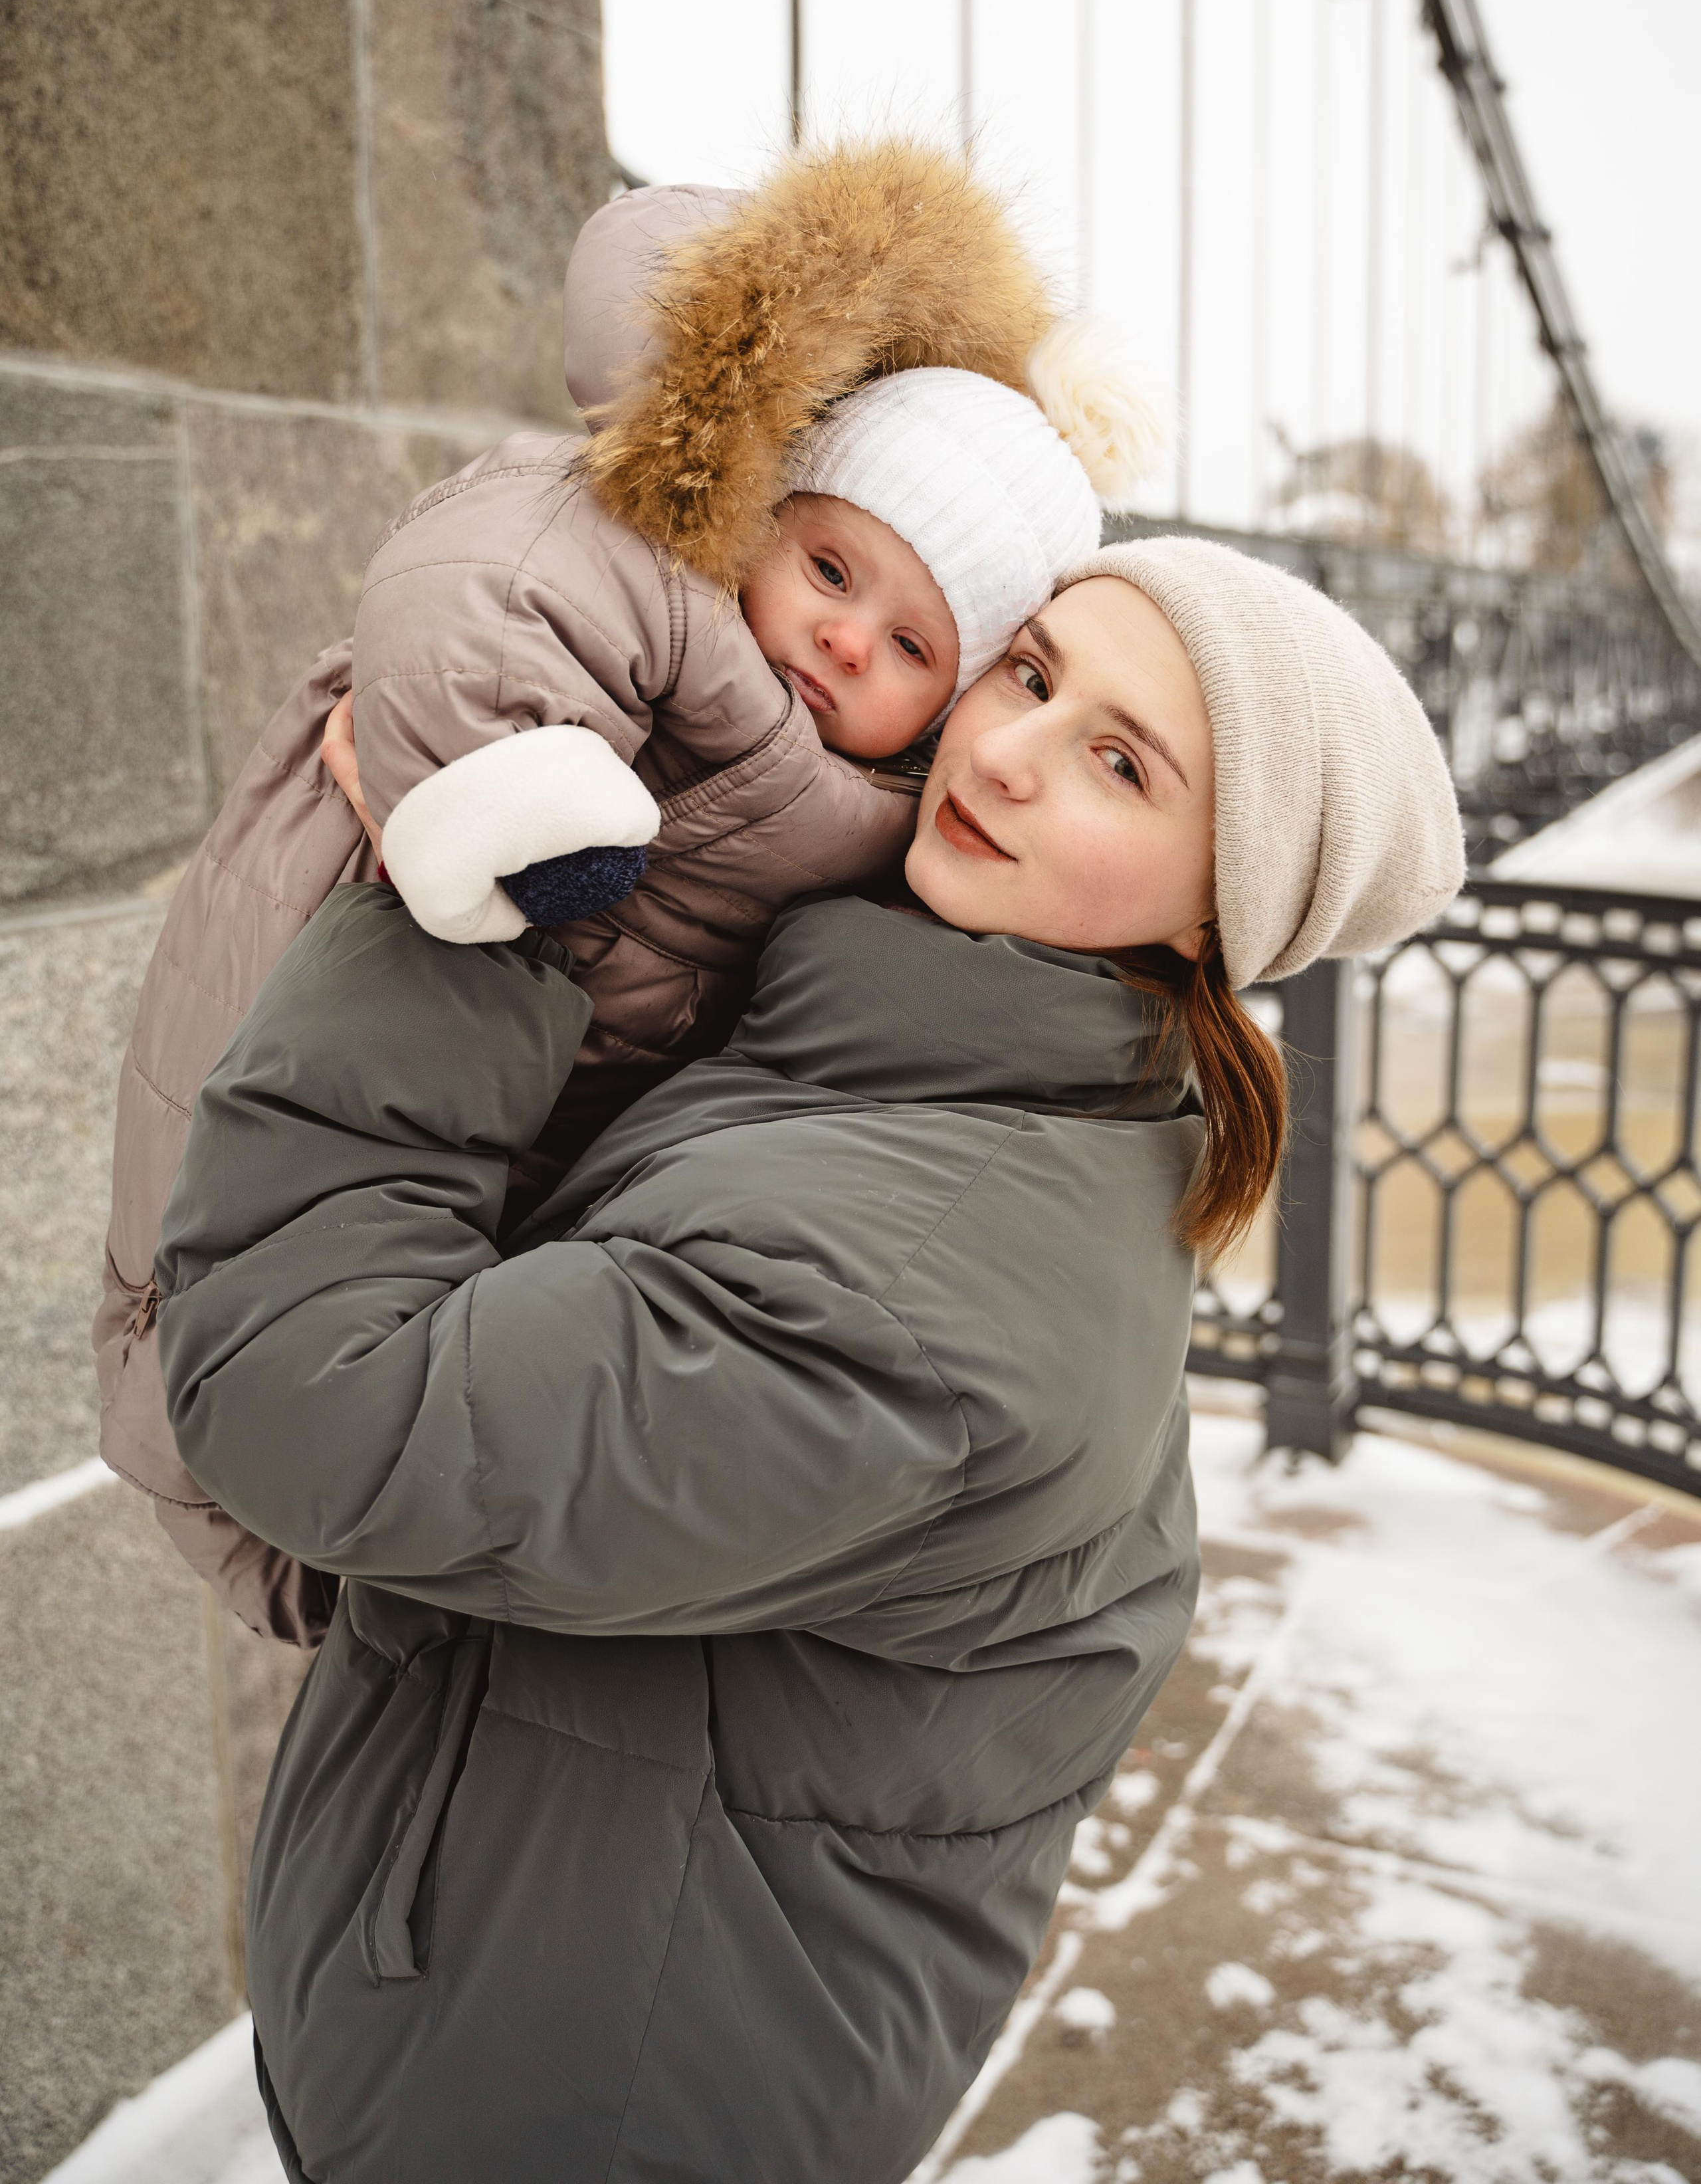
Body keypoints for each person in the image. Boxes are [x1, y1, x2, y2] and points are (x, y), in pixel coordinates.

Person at [153, 535, 1464, 2184]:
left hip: (558, 2120)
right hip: (487, 2030)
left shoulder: (927, 1292)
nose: (999, 749)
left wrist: (479, 921)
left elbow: (322, 1408)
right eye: (1033, 671)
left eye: (1119, 765)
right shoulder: (894, 1052)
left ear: (1216, 914)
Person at [92, 137, 1165, 1643]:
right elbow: (488, 583)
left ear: (940, 708)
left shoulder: (872, 835)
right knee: (211, 1249)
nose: (846, 642)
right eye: (832, 570)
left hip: (433, 1214)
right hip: (325, 1000)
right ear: (765, 515)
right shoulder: (655, 586)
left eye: (915, 648)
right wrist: (486, 780)